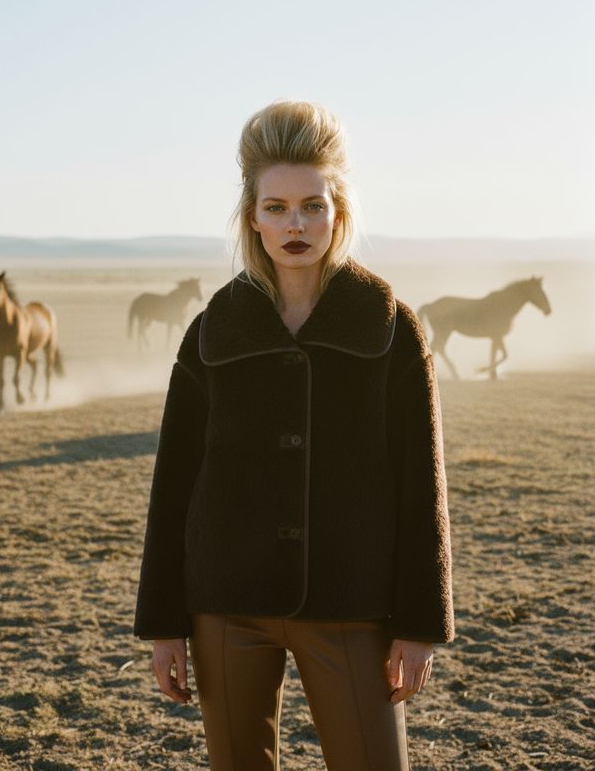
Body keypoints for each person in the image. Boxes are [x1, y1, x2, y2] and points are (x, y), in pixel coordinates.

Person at [133, 100, 454, 771]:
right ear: (251, 216)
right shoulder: (214, 329)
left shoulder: (390, 327)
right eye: (275, 207)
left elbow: (422, 483)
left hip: (352, 604)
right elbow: (174, 486)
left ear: (339, 210)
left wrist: (421, 625)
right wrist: (164, 625)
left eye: (312, 204)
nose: (295, 223)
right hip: (225, 606)